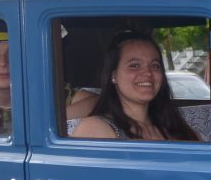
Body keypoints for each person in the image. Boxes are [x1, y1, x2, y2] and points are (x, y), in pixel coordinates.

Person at [70, 30, 199, 141]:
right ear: (113, 75)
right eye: (135, 65)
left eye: (155, 66)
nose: (148, 73)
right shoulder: (95, 130)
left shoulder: (177, 129)